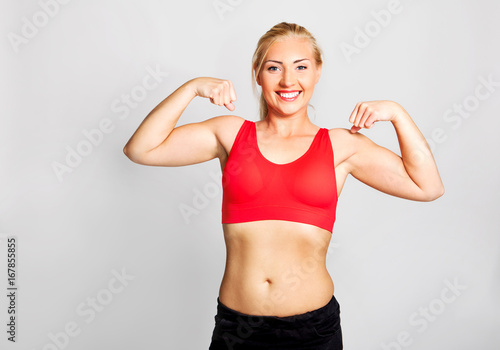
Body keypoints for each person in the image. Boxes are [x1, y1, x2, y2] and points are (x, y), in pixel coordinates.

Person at [123, 22, 444, 350]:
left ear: (318, 72)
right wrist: (191, 88)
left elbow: (428, 187)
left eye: (301, 67)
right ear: (258, 74)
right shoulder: (231, 134)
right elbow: (141, 149)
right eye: (274, 68)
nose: (288, 80)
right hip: (238, 328)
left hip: (313, 330)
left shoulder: (341, 145)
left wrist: (397, 113)